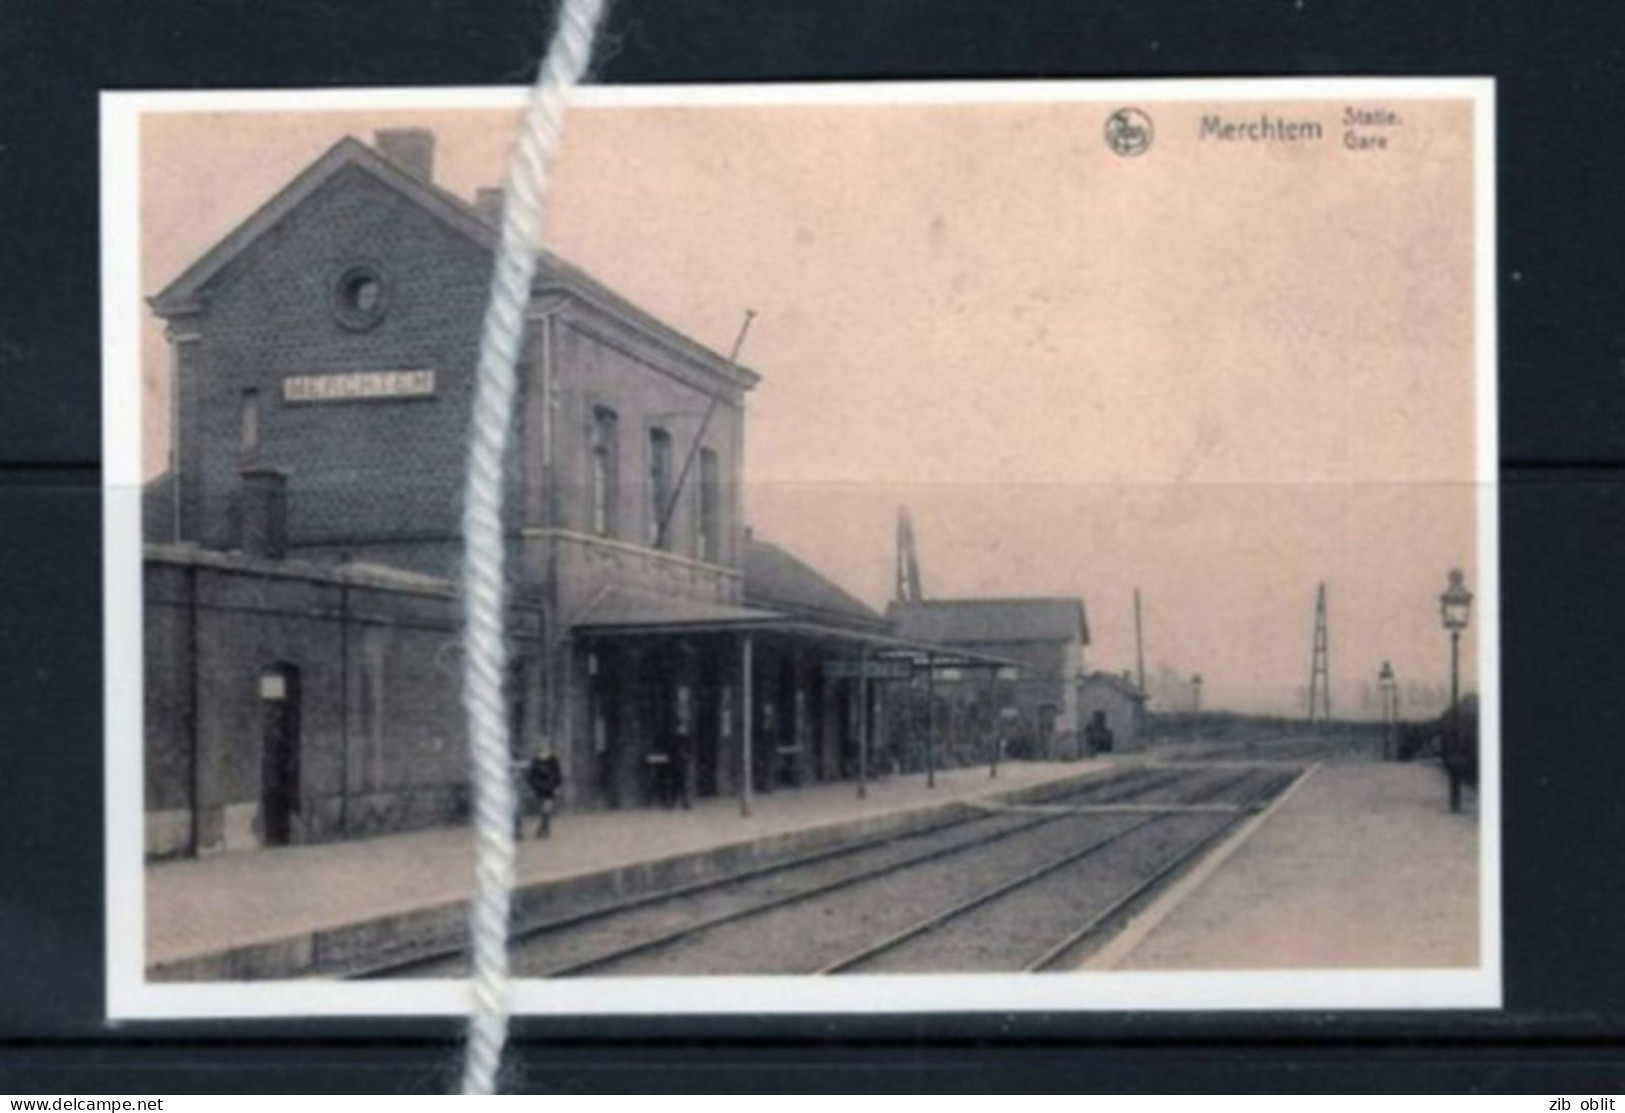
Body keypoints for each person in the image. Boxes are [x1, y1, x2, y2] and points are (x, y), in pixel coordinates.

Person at [516, 746, 562, 839]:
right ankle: (521, 830)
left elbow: (558, 776)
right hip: (538, 789)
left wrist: (556, 787)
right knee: (534, 810)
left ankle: (544, 828)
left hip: (549, 790)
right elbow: (531, 777)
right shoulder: (535, 762)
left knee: (546, 809)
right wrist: (533, 788)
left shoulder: (553, 761)